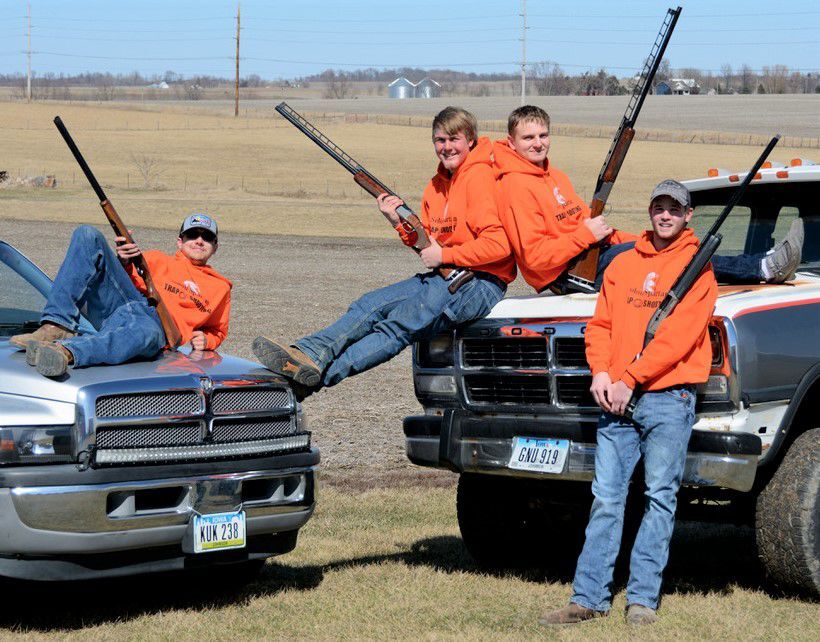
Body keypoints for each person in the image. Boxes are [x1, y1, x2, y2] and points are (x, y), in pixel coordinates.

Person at [540, 179, 718, 626]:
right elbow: (599, 324)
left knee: (659, 498)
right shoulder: (622, 264)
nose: (665, 216)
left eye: (674, 210)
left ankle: (641, 599)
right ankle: (588, 598)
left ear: (687, 216)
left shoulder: (699, 269)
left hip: (667, 398)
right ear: (650, 210)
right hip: (616, 398)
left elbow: (678, 339)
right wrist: (601, 371)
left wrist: (631, 378)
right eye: (659, 207)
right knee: (606, 498)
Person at [253, 106, 515, 397]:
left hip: (480, 283)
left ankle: (309, 382)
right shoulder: (436, 186)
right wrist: (397, 222)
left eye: (454, 139)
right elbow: (426, 246)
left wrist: (444, 257)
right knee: (369, 305)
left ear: (471, 140)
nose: (447, 147)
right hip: (449, 276)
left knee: (397, 326)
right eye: (440, 140)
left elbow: (499, 246)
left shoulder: (480, 178)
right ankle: (310, 354)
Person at [494, 105, 803, 293]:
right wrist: (585, 235)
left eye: (543, 135)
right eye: (528, 138)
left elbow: (589, 228)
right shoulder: (514, 187)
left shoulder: (555, 175)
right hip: (569, 275)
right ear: (511, 142)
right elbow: (534, 260)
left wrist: (643, 237)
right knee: (674, 254)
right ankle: (762, 267)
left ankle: (763, 263)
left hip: (594, 255)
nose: (538, 144)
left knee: (674, 245)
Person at [10, 213, 231, 377]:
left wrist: (207, 339)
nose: (199, 241)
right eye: (192, 235)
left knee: (144, 331)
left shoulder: (220, 287)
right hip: (124, 305)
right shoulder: (155, 259)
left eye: (207, 237)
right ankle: (55, 327)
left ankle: (66, 351)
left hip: (157, 330)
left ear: (216, 246)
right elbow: (120, 282)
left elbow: (217, 330)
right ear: (180, 241)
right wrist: (124, 261)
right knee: (87, 235)